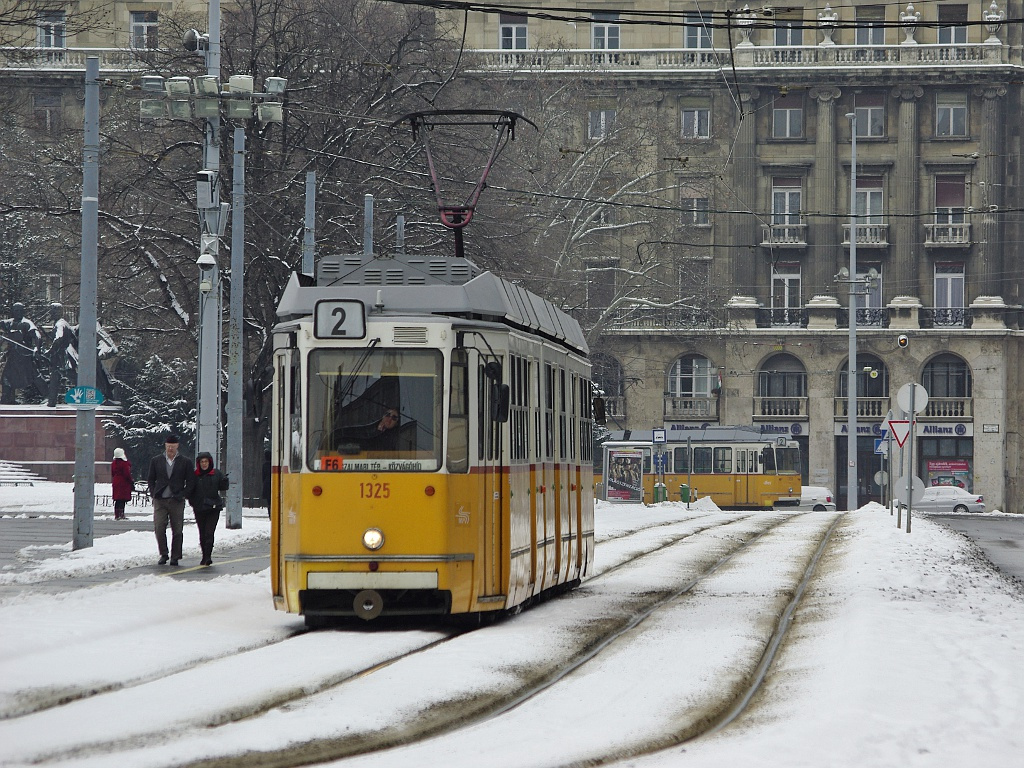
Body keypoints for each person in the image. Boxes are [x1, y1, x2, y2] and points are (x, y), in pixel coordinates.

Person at [147, 433, 193, 566]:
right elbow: (151, 478)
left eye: (173, 446)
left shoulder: (185, 462)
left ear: (177, 446)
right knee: (159, 528)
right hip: (160, 499)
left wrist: (184, 494)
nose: (170, 449)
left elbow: (190, 481)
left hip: (177, 500)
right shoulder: (156, 460)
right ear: (165, 446)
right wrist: (153, 491)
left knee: (177, 530)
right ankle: (164, 553)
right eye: (168, 446)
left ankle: (175, 556)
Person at [187, 451, 229, 566]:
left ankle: (208, 556)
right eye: (202, 462)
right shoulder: (194, 475)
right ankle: (204, 555)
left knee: (209, 533)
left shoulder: (216, 473)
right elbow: (189, 490)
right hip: (199, 508)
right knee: (202, 532)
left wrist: (225, 481)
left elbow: (223, 488)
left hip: (213, 508)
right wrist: (192, 502)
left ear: (209, 462)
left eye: (206, 461)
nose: (204, 464)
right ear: (198, 463)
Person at [0, 302, 44, 404]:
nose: (18, 313)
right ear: (13, 312)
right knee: (6, 378)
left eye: (20, 310)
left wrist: (37, 348)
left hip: (24, 356)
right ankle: (7, 400)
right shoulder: (8, 323)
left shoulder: (27, 323)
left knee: (34, 375)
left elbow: (37, 335)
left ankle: (47, 395)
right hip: (13, 357)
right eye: (16, 311)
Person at [110, 447, 133, 521]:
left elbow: (112, 473)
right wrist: (131, 481)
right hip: (123, 483)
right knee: (122, 499)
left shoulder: (113, 463)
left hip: (116, 481)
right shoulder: (124, 463)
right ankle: (121, 514)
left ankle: (117, 515)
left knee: (117, 499)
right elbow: (127, 474)